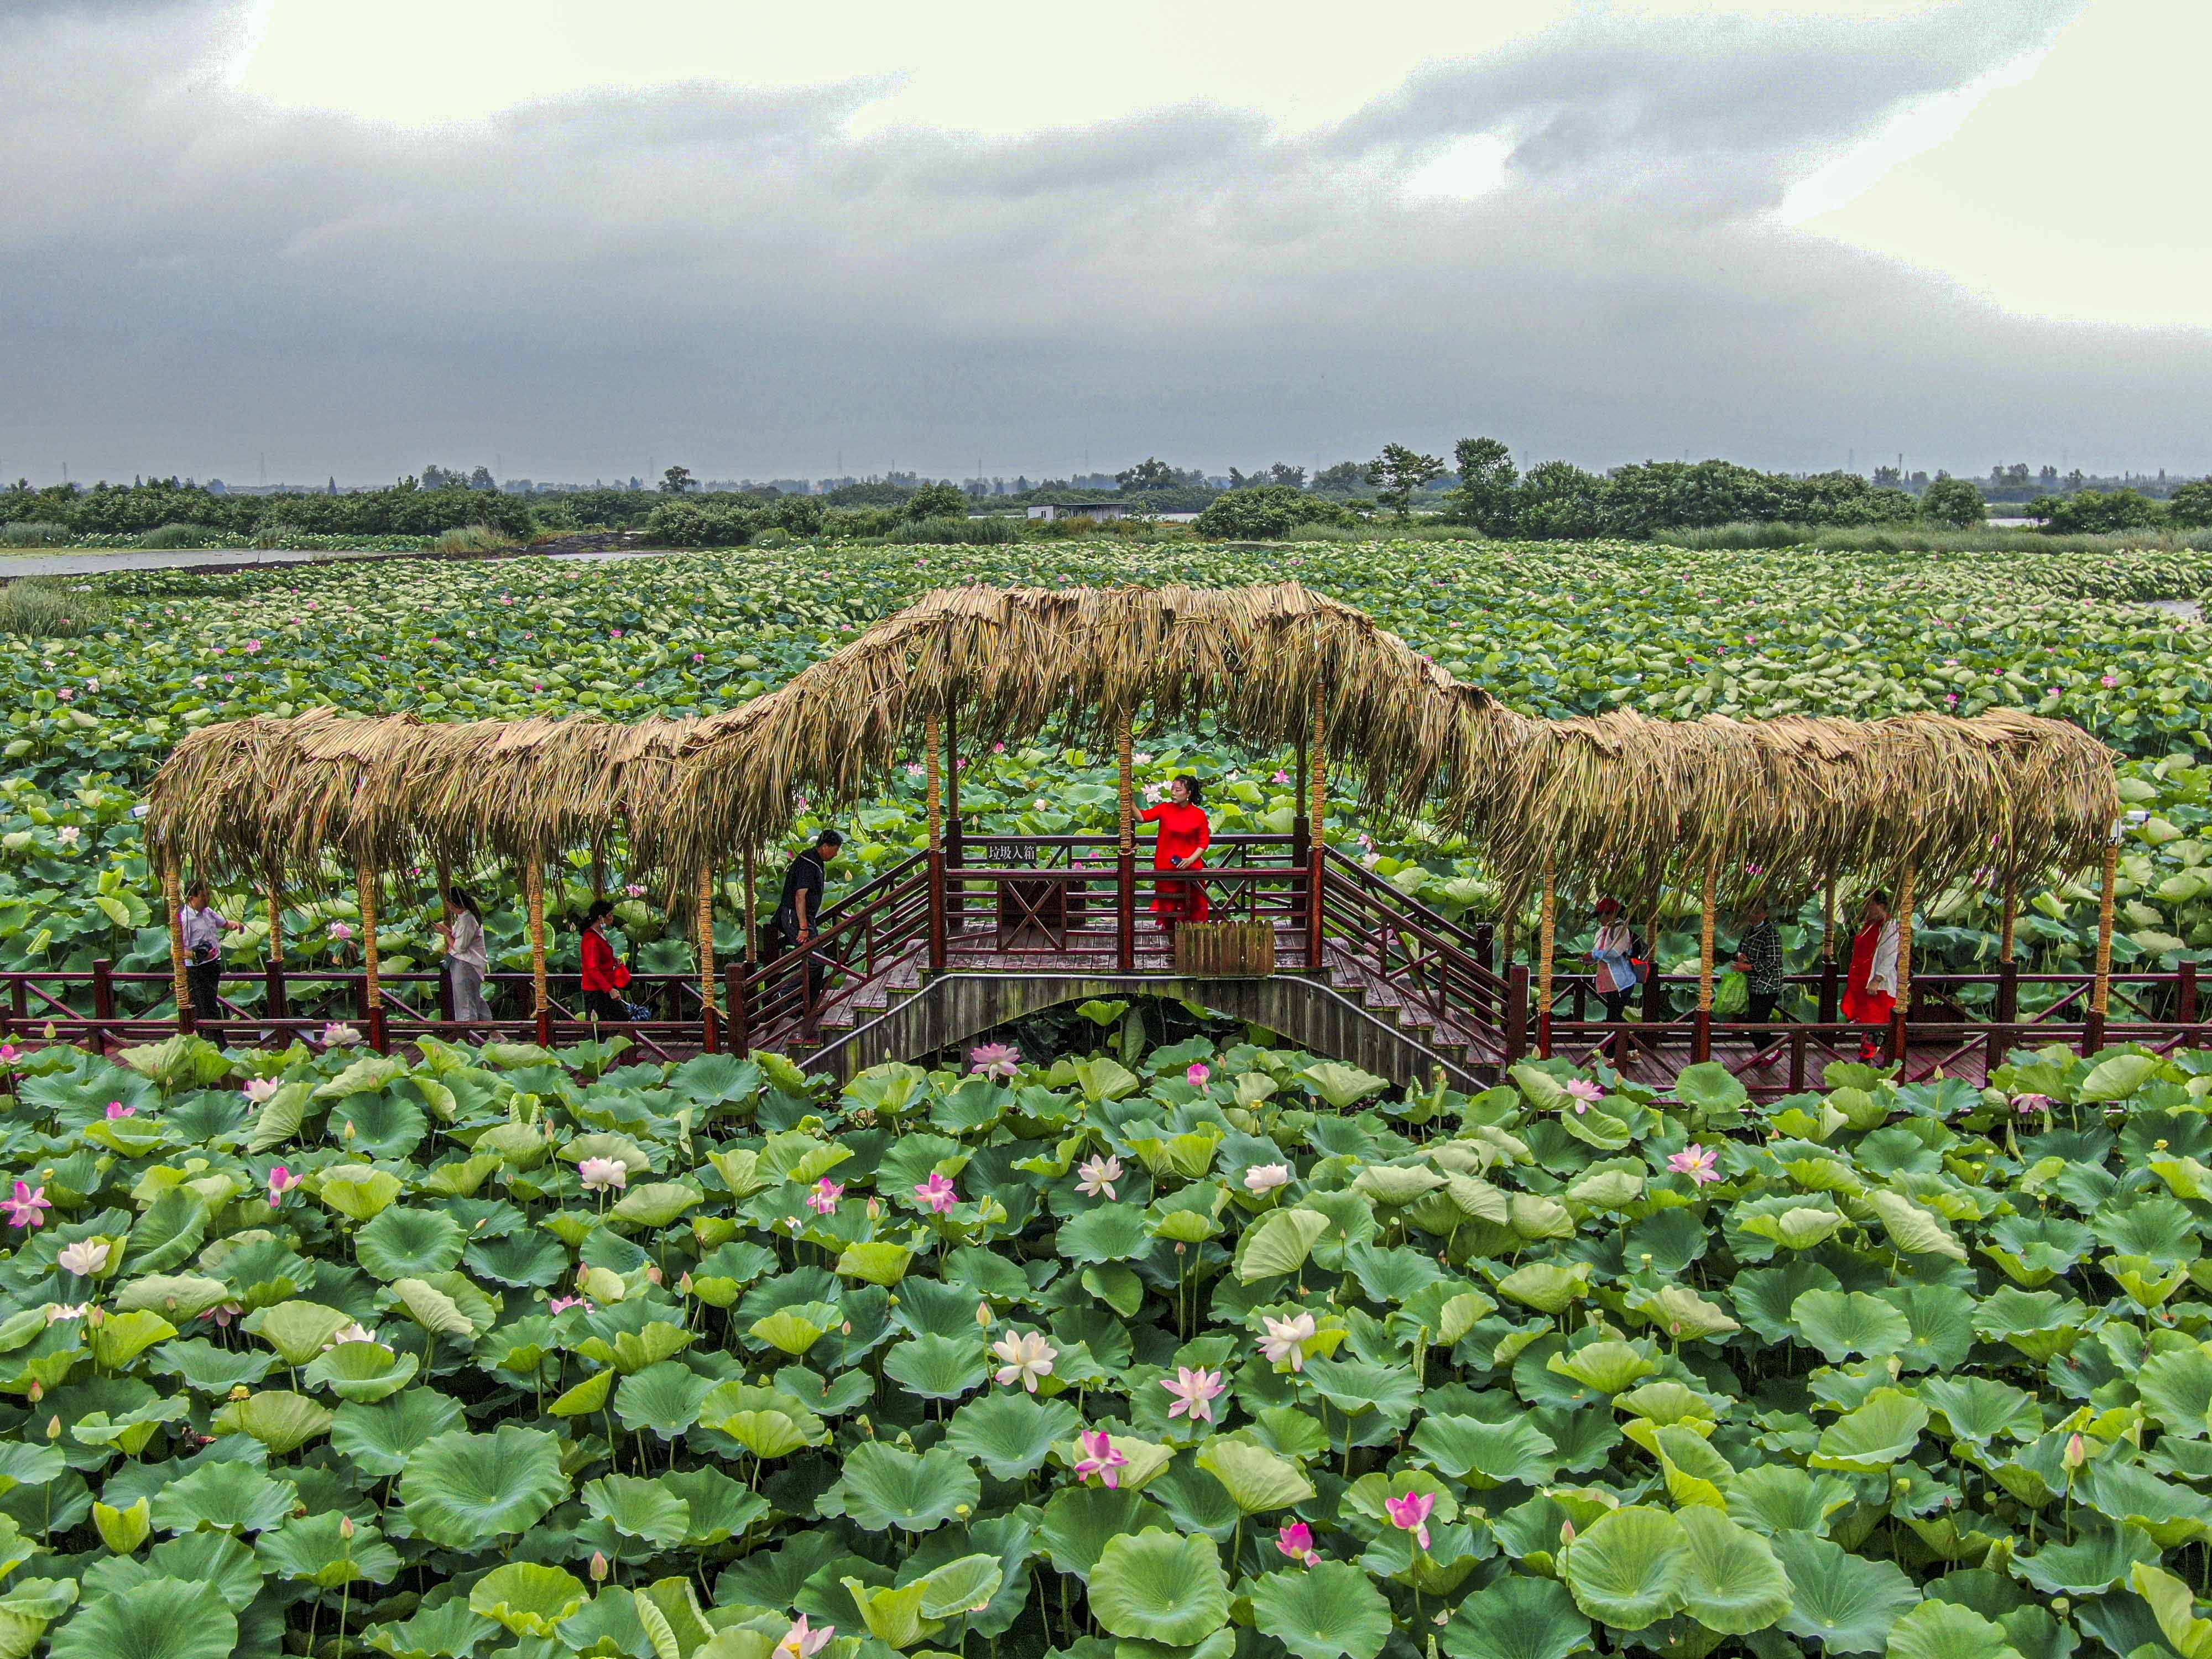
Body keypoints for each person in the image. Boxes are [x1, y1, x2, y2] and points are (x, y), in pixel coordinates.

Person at [773, 830, 843, 1009]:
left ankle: (810, 1004)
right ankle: (785, 994)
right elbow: (800, 896)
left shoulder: (815, 860)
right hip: (794, 918)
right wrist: (803, 927)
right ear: (825, 846)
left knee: (819, 962)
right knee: (816, 961)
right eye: (835, 849)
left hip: (806, 919)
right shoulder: (808, 863)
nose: (836, 854)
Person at [1140, 776, 1212, 930]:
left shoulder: (1199, 814)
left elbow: (1203, 843)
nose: (1173, 793)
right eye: (1172, 789)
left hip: (1191, 869)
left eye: (1178, 790)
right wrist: (1129, 802)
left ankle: (1194, 941)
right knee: (1168, 907)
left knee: (1194, 907)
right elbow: (1142, 817)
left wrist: (1190, 860)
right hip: (1166, 867)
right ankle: (1170, 940)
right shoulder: (1164, 809)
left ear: (1189, 793)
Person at [1840, 890, 1901, 1060]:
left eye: (1869, 904)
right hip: (1862, 983)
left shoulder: (1889, 925)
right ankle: (1878, 1057)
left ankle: (1866, 1058)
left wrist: (1877, 979)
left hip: (1877, 985)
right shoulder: (1869, 924)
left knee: (1876, 1020)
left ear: (1880, 905)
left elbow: (1890, 955)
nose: (1865, 908)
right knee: (1867, 1020)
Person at [178, 879, 242, 1022]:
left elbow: (224, 924)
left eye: (209, 895)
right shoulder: (185, 920)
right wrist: (198, 956)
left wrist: (236, 926)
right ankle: (219, 1042)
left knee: (208, 1004)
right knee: (207, 1008)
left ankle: (205, 1038)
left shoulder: (207, 911)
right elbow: (177, 950)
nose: (208, 899)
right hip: (197, 969)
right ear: (191, 898)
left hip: (213, 965)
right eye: (204, 896)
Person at [436, 885, 492, 1023]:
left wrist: (446, 934)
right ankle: (494, 1033)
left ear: (455, 903)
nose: (448, 906)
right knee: (475, 1000)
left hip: (465, 965)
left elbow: (460, 947)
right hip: (468, 965)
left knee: (466, 1003)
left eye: (449, 902)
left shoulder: (468, 920)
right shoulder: (465, 917)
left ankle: (469, 1036)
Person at [578, 898, 635, 1021]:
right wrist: (610, 990)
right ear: (601, 918)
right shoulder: (591, 939)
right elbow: (593, 968)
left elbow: (601, 958)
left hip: (605, 986)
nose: (612, 918)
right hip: (596, 990)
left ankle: (620, 1040)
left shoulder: (600, 934)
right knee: (598, 1026)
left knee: (623, 1018)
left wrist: (614, 960)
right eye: (610, 915)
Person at [1731, 896, 1785, 1026]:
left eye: (1757, 913)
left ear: (1765, 914)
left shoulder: (1771, 932)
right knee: (1754, 1024)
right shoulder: (1750, 929)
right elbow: (1741, 947)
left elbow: (1773, 961)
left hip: (1768, 985)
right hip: (1754, 985)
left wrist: (1749, 967)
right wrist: (1740, 955)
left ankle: (1774, 1048)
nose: (1753, 916)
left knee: (1757, 1025)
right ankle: (1772, 1048)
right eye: (1750, 912)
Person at [1588, 898, 1643, 1022]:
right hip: (1608, 981)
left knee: (1614, 1016)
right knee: (1613, 1015)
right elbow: (1597, 950)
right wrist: (1595, 955)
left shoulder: (1622, 930)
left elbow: (1614, 953)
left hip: (1622, 980)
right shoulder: (1601, 932)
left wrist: (1595, 955)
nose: (1599, 919)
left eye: (1601, 915)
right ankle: (1617, 1040)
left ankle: (1619, 1041)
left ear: (1611, 914)